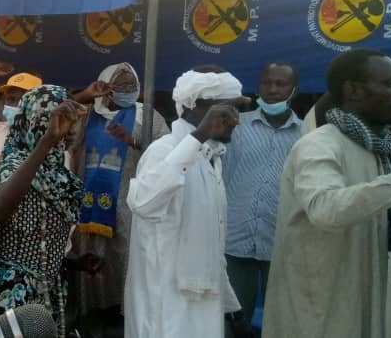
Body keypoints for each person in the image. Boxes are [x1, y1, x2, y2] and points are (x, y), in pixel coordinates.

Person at [262, 50, 391, 338]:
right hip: (319, 310)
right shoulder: (319, 145)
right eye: (389, 84)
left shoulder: (384, 150)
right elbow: (325, 209)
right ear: (354, 90)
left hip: (367, 299)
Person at [125, 66, 245, 338]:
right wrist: (199, 136)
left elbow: (213, 243)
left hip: (204, 305)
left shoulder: (211, 157)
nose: (235, 120)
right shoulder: (164, 150)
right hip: (165, 307)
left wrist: (231, 308)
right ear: (197, 107)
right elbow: (143, 202)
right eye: (227, 112)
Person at [0, 85, 88, 336]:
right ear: (36, 120)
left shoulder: (61, 176)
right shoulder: (15, 164)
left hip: (48, 292)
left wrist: (75, 263)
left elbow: (40, 240)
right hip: (12, 294)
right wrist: (46, 142)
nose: (69, 128)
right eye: (59, 120)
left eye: (71, 122)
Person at [67, 63, 170, 331]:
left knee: (125, 262)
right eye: (118, 86)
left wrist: (134, 140)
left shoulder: (146, 116)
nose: (124, 91)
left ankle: (126, 319)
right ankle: (93, 318)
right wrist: (87, 96)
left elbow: (168, 155)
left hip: (127, 206)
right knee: (88, 259)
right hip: (86, 207)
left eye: (129, 86)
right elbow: (60, 132)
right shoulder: (86, 113)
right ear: (104, 85)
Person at [218, 62, 301, 336]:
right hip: (235, 237)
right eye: (267, 83)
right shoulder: (235, 126)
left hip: (282, 241)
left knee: (282, 318)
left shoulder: (306, 135)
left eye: (281, 84)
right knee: (231, 318)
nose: (273, 90)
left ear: (294, 91)